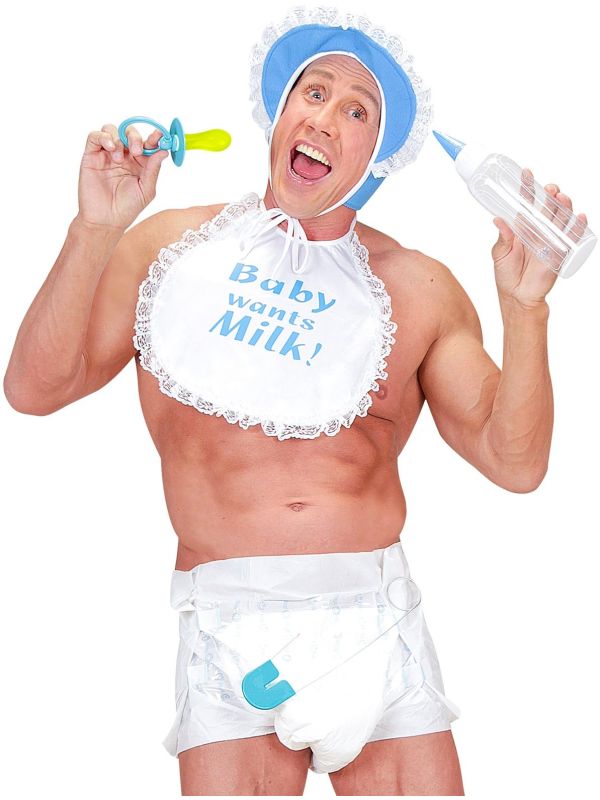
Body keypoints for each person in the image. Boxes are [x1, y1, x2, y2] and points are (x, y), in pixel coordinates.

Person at [3, 5, 588, 797]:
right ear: (279, 113)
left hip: (376, 624)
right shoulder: (168, 248)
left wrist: (526, 309)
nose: (325, 118)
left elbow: (516, 464)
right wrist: (93, 227)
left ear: (378, 156)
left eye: (358, 111)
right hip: (227, 624)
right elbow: (33, 388)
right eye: (314, 93)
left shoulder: (419, 288)